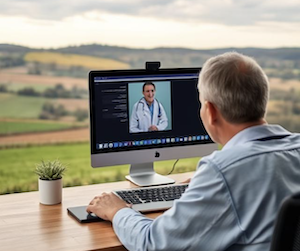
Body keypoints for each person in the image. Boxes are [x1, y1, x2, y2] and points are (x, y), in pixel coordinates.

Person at [87, 52, 300, 251]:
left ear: (210, 111)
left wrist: (117, 211)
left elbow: (153, 244)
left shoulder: (223, 172)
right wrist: (206, 186)